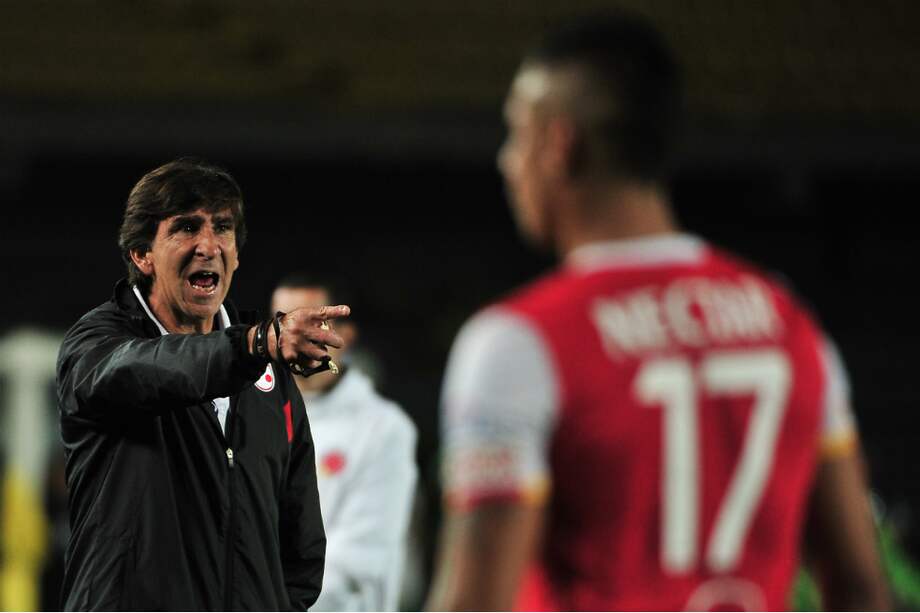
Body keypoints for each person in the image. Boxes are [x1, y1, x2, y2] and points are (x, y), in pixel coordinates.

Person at [427, 11, 890, 611]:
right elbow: (860, 590)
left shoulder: (518, 342)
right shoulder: (792, 325)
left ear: (560, 145)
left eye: (516, 134)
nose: (506, 162)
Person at [56, 158, 351, 611]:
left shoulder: (268, 372)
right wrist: (254, 345)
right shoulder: (97, 345)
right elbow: (150, 369)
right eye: (186, 228)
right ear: (142, 254)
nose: (208, 245)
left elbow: (302, 543)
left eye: (223, 228)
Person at [271, 273, 418, 611]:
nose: (293, 336)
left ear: (344, 337)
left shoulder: (383, 428)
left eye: (311, 323)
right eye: (283, 322)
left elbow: (359, 560)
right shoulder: (252, 417)